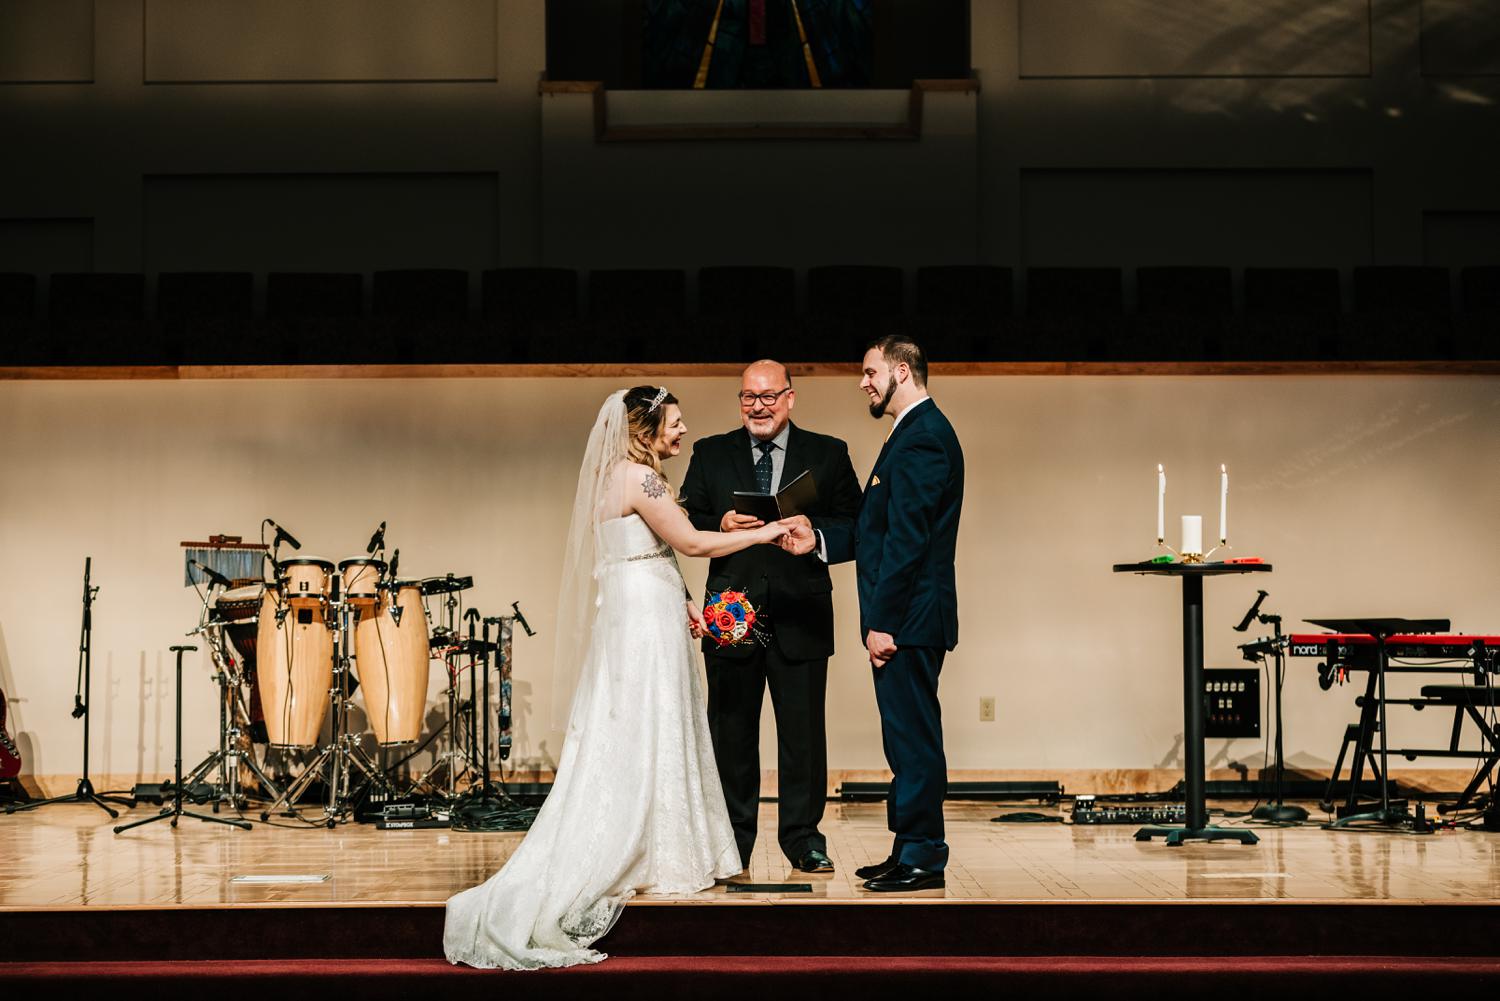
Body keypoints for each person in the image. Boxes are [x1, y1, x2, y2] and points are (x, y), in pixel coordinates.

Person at [444, 386, 795, 969]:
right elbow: (691, 540)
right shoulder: (641, 479)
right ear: (646, 427)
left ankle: (658, 845)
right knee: (654, 720)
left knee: (635, 721)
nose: (682, 433)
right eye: (674, 424)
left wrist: (683, 594)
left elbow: (649, 550)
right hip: (643, 617)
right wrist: (763, 534)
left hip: (634, 603)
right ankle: (655, 853)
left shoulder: (616, 475)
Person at [781, 336, 964, 892]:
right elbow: (872, 529)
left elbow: (908, 542)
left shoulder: (924, 438)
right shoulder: (908, 433)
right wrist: (815, 539)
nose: (863, 382)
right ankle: (908, 846)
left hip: (908, 619)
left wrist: (882, 622)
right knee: (903, 739)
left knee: (914, 740)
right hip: (903, 617)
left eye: (869, 372)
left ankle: (924, 857)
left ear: (901, 371)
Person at [680, 360, 862, 873]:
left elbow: (858, 524)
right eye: (748, 398)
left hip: (801, 610)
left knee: (803, 737)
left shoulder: (829, 453)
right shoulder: (710, 453)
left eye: (768, 397)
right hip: (729, 611)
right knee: (730, 734)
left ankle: (803, 839)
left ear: (790, 397)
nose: (758, 407)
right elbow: (683, 518)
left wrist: (814, 533)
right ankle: (729, 842)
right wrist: (718, 521)